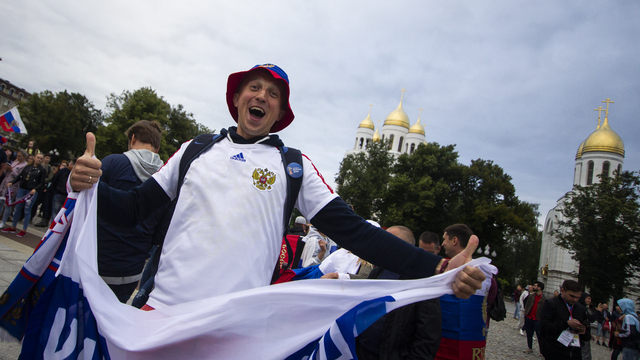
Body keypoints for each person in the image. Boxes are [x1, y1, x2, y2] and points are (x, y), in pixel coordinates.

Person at [69, 63, 485, 310]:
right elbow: (132, 211)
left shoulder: (293, 166)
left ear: (279, 113)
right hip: (159, 312)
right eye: (254, 88)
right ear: (237, 100)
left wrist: (434, 267)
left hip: (231, 327)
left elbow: (356, 232)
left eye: (272, 94)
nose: (261, 96)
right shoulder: (193, 150)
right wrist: (91, 183)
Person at [97, 120, 166, 303]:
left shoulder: (112, 162)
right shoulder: (167, 178)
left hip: (98, 261)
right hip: (132, 270)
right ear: (157, 147)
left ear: (133, 138)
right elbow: (160, 232)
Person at [356, 225, 441, 360]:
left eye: (387, 242)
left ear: (404, 248)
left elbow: (427, 338)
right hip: (362, 352)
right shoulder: (378, 271)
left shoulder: (422, 283)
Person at [435, 224, 497, 360]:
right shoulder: (484, 272)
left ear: (454, 240)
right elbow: (490, 300)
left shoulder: (478, 270)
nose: (443, 244)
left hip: (443, 342)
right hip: (472, 341)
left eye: (445, 239)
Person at [539, 280, 588, 360]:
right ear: (562, 291)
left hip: (575, 353)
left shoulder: (580, 309)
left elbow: (587, 336)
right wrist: (566, 324)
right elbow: (545, 327)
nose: (575, 300)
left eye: (578, 297)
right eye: (572, 296)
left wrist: (584, 331)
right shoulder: (551, 304)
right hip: (554, 351)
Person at [1, 152, 47, 236]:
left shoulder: (42, 170)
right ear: (34, 158)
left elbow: (42, 182)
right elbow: (20, 176)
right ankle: (13, 226)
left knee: (27, 210)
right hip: (22, 189)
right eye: (38, 158)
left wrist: (35, 189)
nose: (39, 160)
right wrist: (12, 182)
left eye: (41, 158)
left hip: (31, 191)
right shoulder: (27, 167)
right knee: (17, 208)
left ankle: (24, 229)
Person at [523, 281, 547, 355]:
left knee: (540, 335)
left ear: (539, 288)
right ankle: (530, 347)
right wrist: (526, 312)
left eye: (535, 286)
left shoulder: (544, 299)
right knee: (529, 333)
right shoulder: (531, 296)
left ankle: (542, 351)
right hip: (529, 317)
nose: (533, 287)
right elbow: (526, 303)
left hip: (537, 319)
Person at [579, 292, 599, 360]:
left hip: (585, 335)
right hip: (582, 336)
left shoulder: (584, 308)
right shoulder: (580, 308)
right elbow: (589, 319)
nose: (590, 301)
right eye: (588, 298)